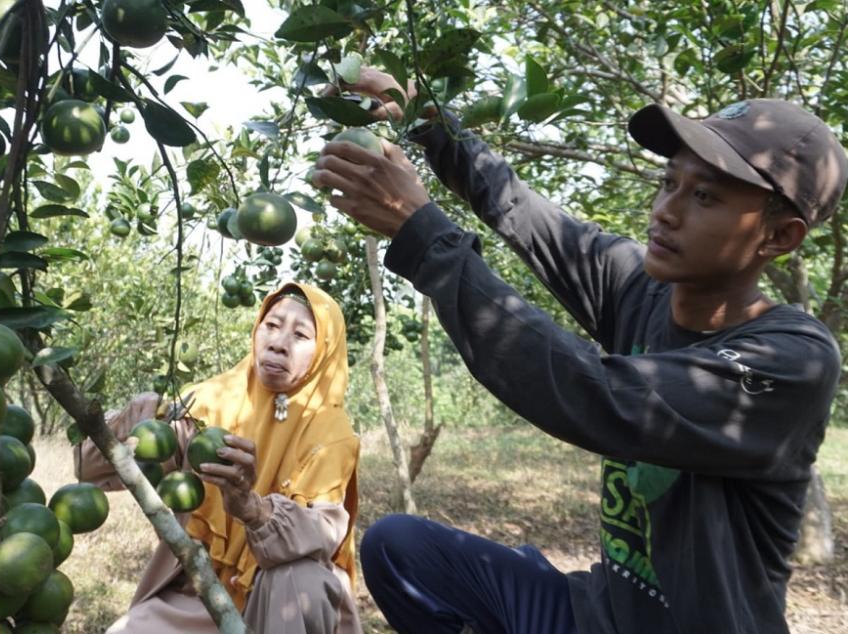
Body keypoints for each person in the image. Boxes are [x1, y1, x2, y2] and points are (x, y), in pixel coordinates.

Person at [312, 68, 847, 634]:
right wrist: (425, 115)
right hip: (601, 614)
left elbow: (589, 391)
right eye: (670, 182)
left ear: (779, 237)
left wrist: (422, 233)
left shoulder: (792, 361)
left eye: (706, 197)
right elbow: (517, 207)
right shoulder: (640, 289)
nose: (667, 210)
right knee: (402, 547)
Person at [76, 282, 362, 634]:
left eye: (301, 335)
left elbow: (320, 531)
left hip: (277, 598)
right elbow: (88, 470)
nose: (278, 343)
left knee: (301, 578)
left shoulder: (331, 433)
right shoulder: (207, 403)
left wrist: (254, 510)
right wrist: (128, 423)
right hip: (197, 593)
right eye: (271, 326)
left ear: (324, 351)